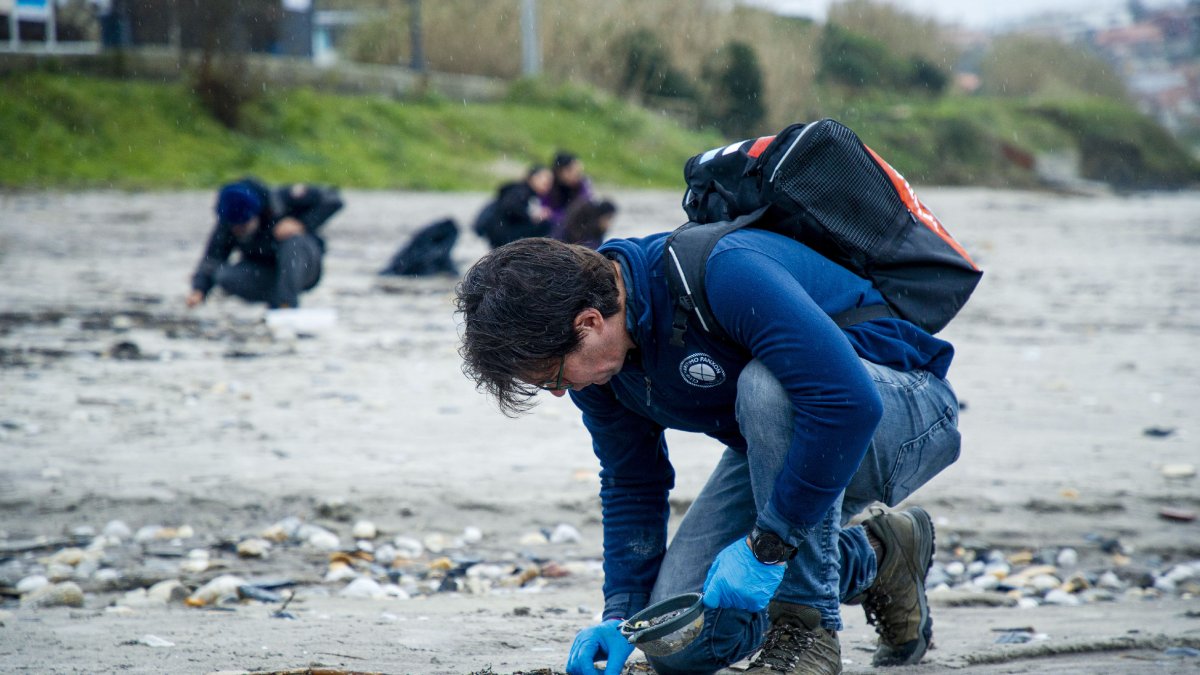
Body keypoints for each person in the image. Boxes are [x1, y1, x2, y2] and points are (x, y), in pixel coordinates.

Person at [454, 233, 962, 674]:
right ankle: (879, 552)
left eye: (555, 378)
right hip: (784, 447)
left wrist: (769, 547)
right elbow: (633, 480)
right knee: (676, 641)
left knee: (767, 387)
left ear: (589, 321)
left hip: (897, 411)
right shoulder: (601, 367)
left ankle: (808, 632)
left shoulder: (722, 271)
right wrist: (623, 614)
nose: (562, 392)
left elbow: (847, 404)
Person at [187, 178, 343, 310]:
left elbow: (333, 199)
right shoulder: (228, 222)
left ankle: (286, 305)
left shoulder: (282, 199)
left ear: (256, 213)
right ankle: (278, 302)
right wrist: (199, 290)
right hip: (265, 272)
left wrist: (302, 224)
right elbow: (213, 258)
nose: (238, 230)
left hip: (304, 268)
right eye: (234, 227)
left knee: (293, 242)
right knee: (224, 276)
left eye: (243, 225)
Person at [473, 165, 554, 250]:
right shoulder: (521, 191)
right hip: (502, 234)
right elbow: (510, 207)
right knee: (545, 225)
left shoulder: (526, 192)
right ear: (532, 178)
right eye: (545, 179)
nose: (548, 183)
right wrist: (532, 216)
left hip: (502, 234)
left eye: (550, 180)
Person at [543, 151, 594, 241]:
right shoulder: (549, 184)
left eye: (579, 172)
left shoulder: (581, 186)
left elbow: (580, 212)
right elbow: (543, 209)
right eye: (572, 171)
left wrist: (554, 215)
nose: (576, 175)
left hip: (571, 231)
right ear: (560, 171)